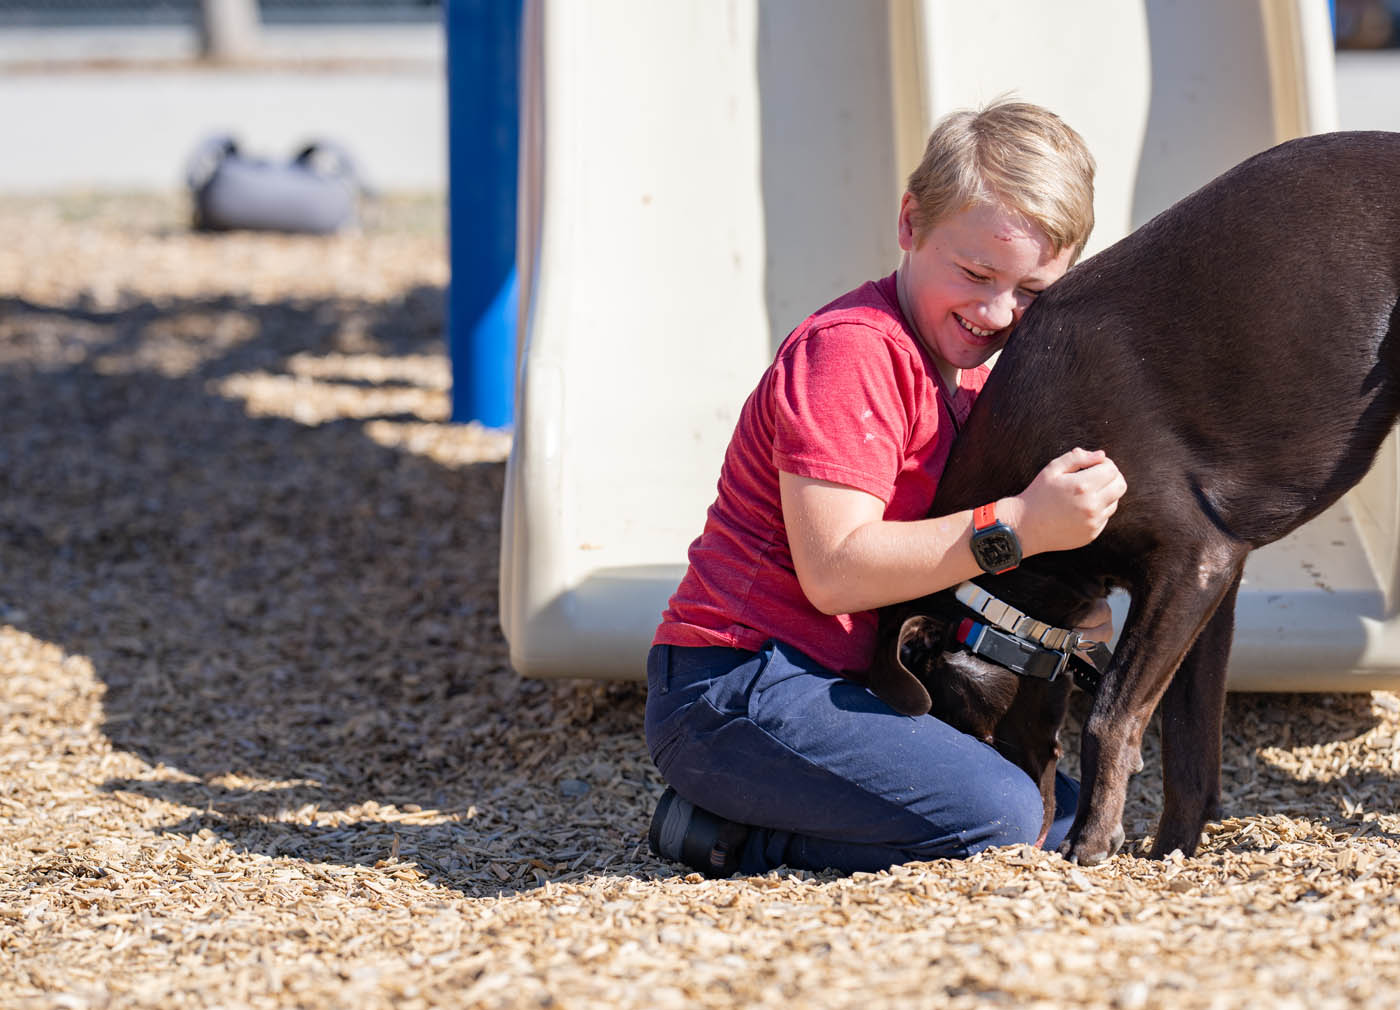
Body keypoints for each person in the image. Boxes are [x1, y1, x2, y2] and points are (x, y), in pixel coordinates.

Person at [644, 99, 1128, 878]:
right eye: (975, 273)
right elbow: (836, 571)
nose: (997, 312)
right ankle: (719, 832)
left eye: (1032, 291)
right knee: (1000, 816)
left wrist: (1058, 616)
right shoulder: (854, 356)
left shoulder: (968, 368)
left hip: (836, 685)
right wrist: (1023, 526)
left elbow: (943, 561)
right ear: (909, 221)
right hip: (732, 688)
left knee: (1058, 814)